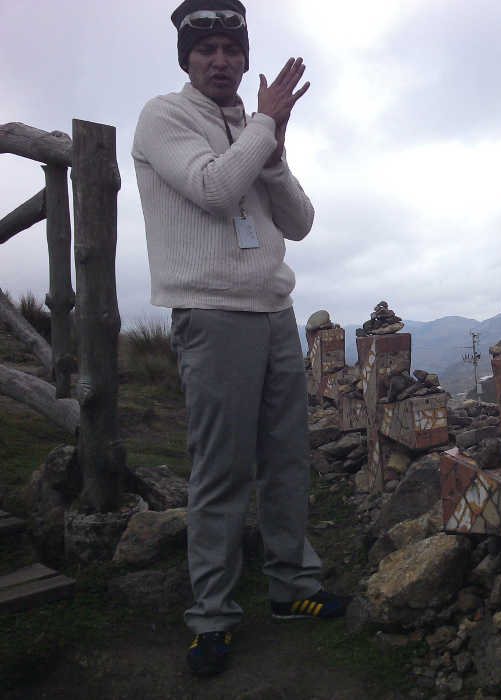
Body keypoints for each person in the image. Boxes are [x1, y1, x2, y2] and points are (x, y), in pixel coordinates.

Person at [132, 0, 344, 676]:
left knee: (286, 460)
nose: (220, 61)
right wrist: (265, 125)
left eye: (232, 49)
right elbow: (216, 190)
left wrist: (272, 152)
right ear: (187, 59)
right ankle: (213, 618)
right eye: (207, 50)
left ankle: (292, 588)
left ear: (245, 58)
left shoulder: (250, 127)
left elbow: (300, 222)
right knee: (222, 471)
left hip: (273, 309)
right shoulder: (163, 117)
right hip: (211, 312)